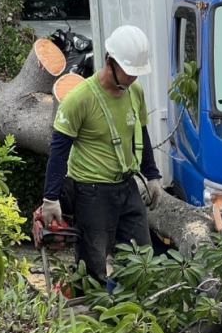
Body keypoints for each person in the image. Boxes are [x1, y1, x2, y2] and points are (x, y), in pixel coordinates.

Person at [40, 25, 163, 285]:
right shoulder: (80, 99)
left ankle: (131, 316)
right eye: (130, 72)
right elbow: (59, 150)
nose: (133, 79)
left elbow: (141, 133)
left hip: (127, 187)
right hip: (92, 191)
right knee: (92, 267)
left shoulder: (135, 93)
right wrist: (51, 198)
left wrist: (152, 175)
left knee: (141, 260)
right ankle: (91, 320)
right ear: (110, 62)